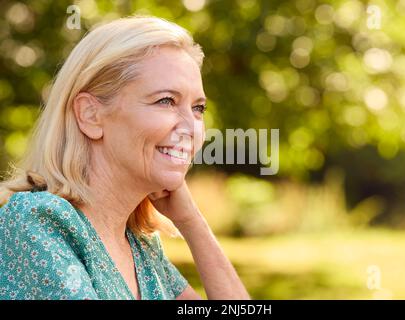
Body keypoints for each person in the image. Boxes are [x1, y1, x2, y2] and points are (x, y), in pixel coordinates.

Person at [0, 16, 250, 300]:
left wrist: (192, 222)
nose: (192, 128)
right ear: (90, 115)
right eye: (166, 101)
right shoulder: (38, 222)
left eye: (198, 108)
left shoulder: (141, 249)